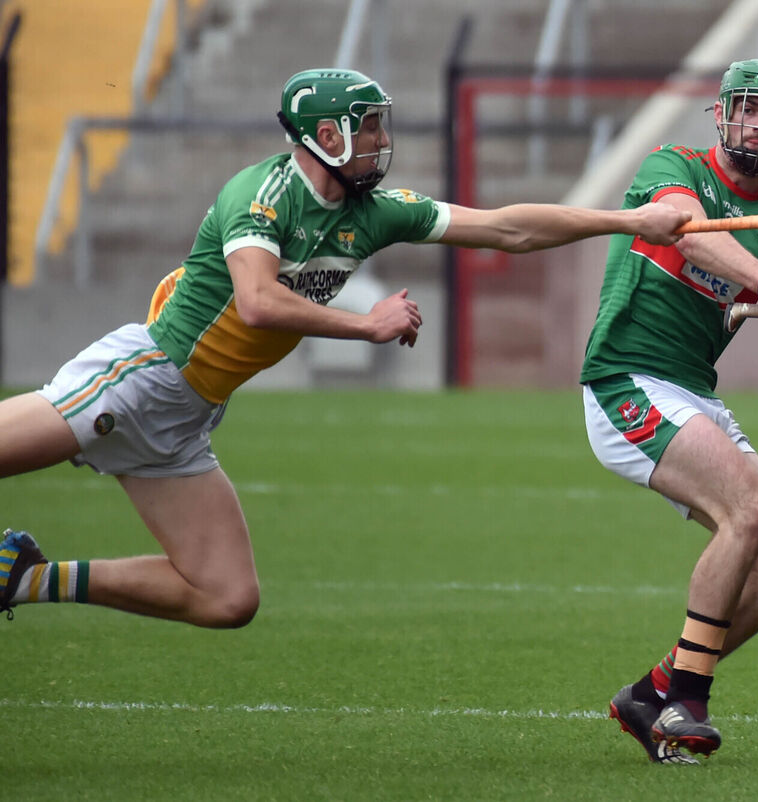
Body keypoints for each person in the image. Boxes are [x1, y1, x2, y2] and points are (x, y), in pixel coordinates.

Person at [0, 67, 689, 625]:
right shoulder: (264, 193)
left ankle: (24, 579)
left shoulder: (374, 211)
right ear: (324, 134)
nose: (381, 141)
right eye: (368, 128)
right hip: (138, 380)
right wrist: (369, 325)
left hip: (185, 419)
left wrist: (631, 219)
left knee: (226, 597)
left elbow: (507, 228)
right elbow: (257, 302)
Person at [579, 58, 758, 764]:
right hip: (626, 380)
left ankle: (653, 689)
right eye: (749, 108)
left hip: (693, 393)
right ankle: (687, 701)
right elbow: (688, 233)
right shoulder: (673, 167)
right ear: (722, 112)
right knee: (749, 512)